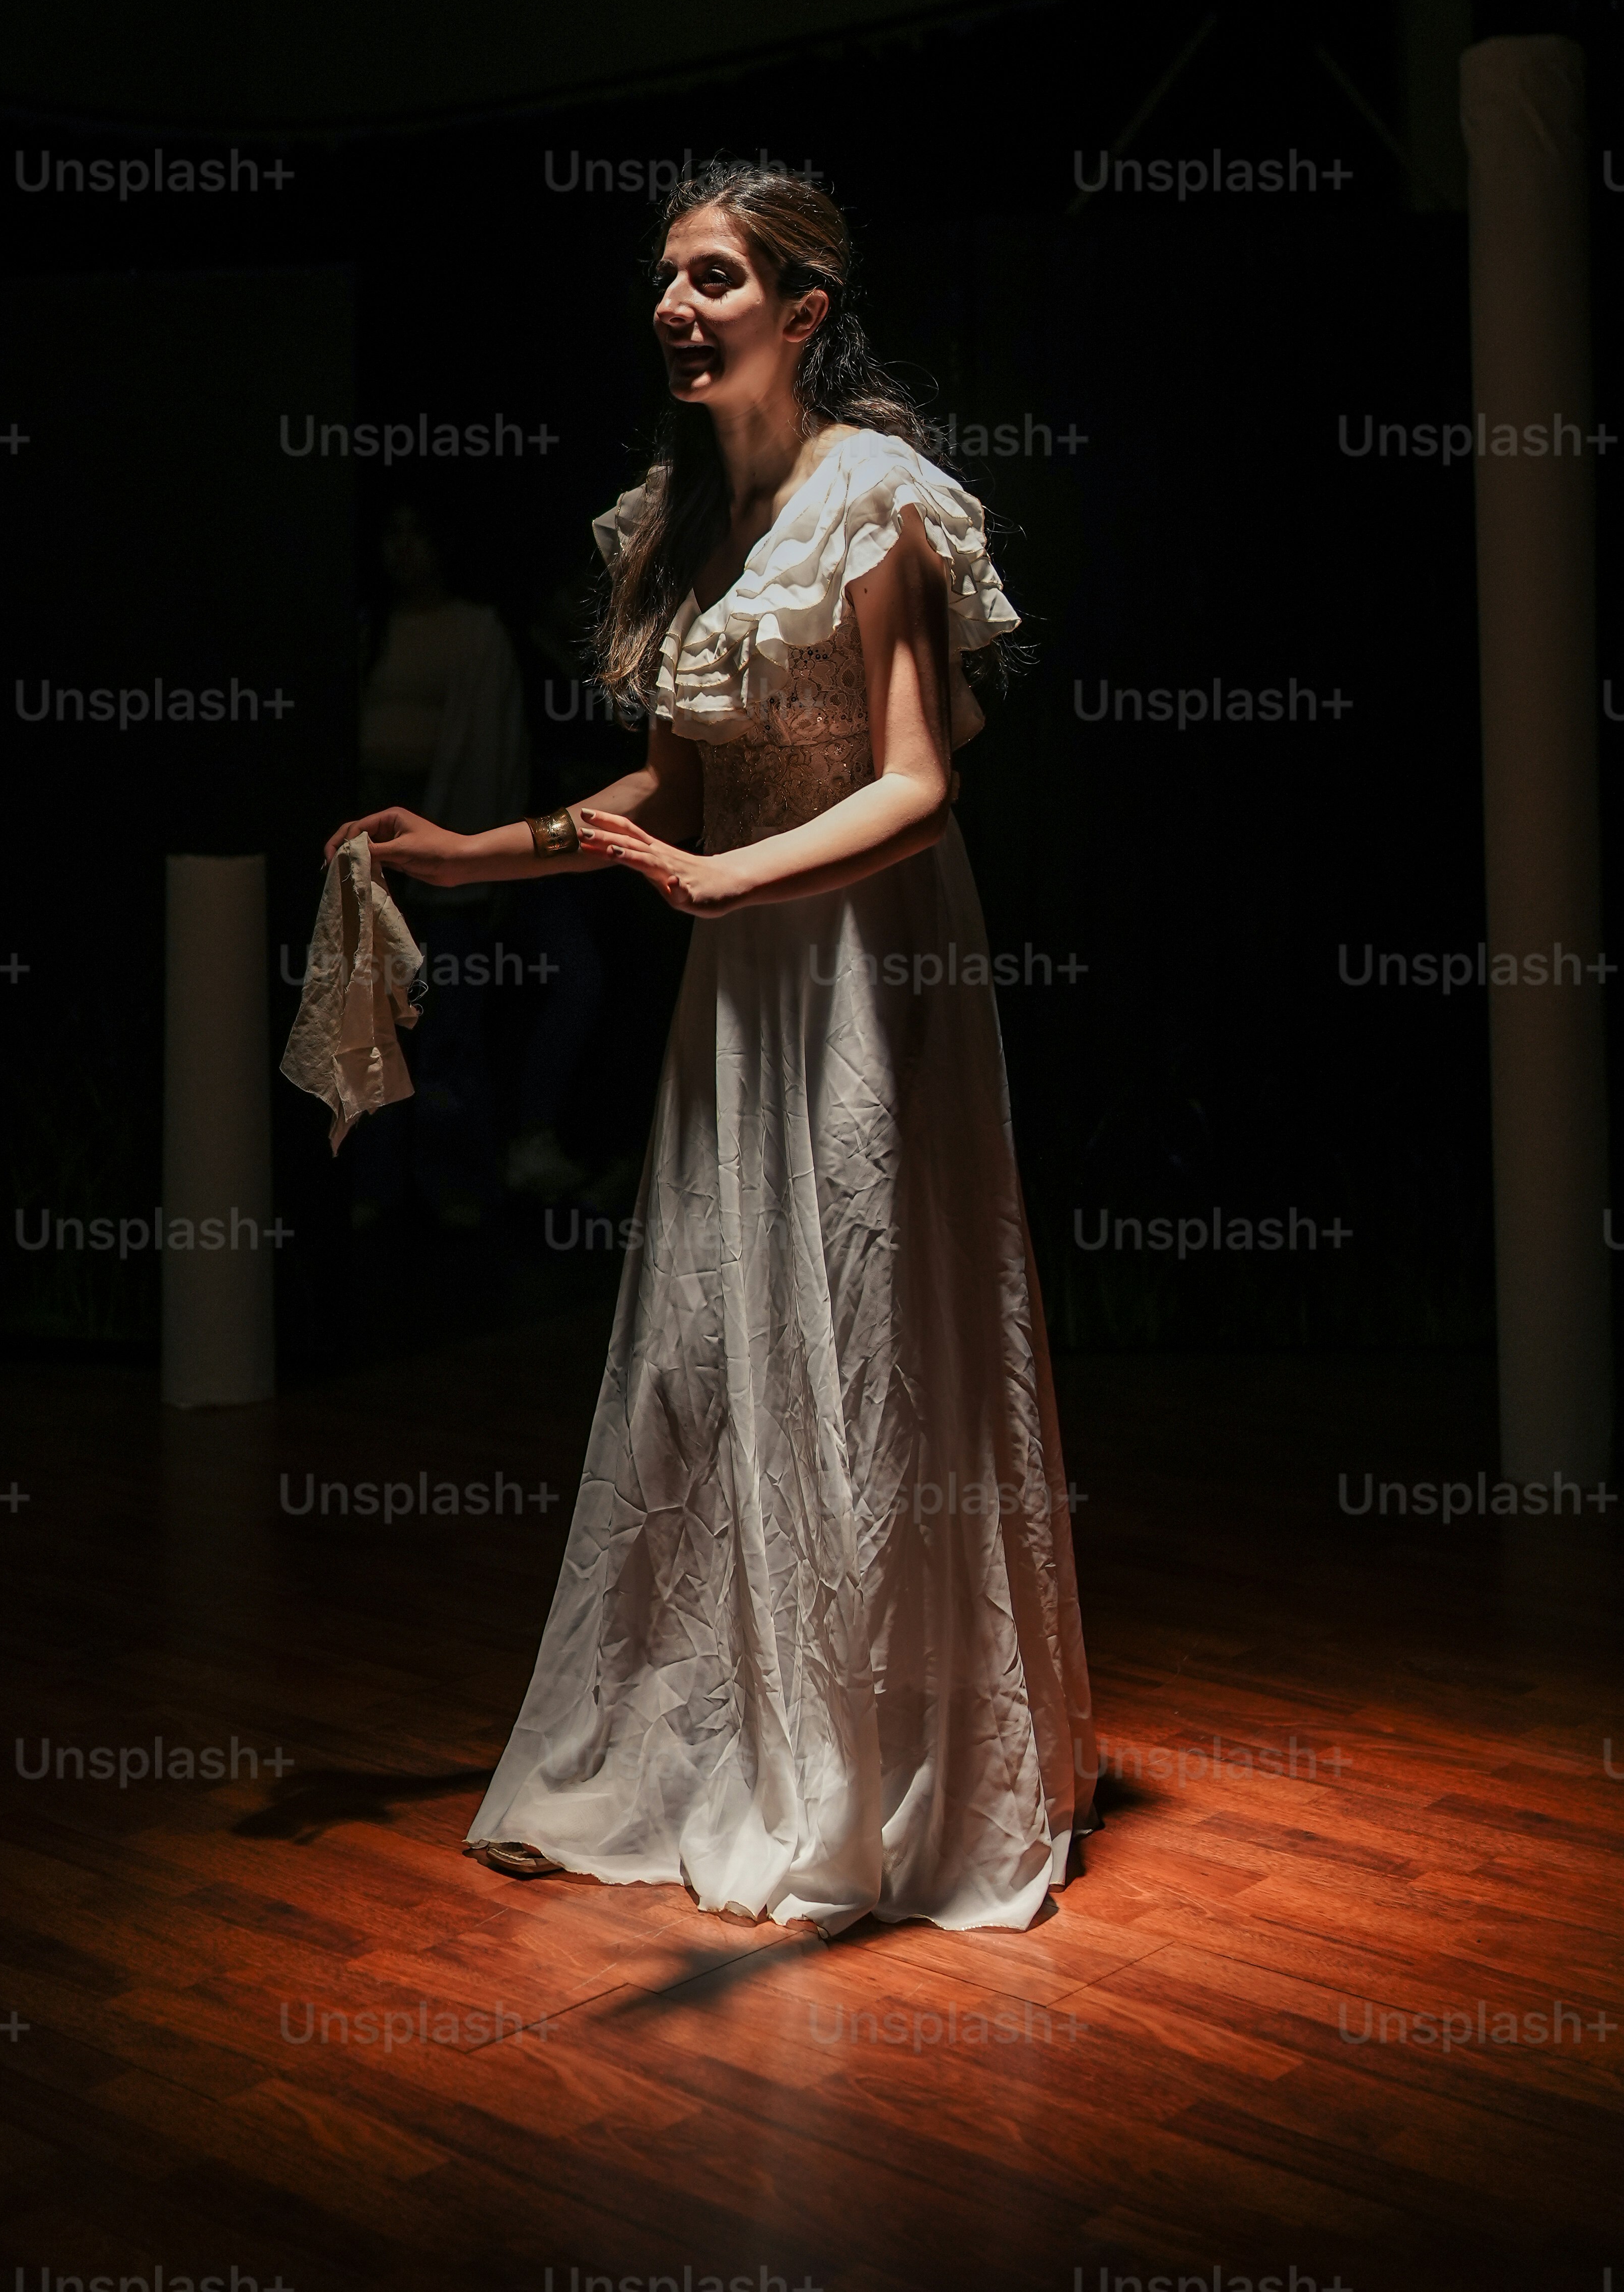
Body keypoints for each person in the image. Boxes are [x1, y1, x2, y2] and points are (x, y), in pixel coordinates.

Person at [325, 162, 1092, 1934]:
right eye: (667, 276)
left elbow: (915, 781)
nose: (678, 305)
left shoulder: (876, 495)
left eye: (718, 276)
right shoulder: (671, 520)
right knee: (723, 1339)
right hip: (736, 974)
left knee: (868, 1315)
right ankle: (745, 1725)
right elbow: (666, 793)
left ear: (803, 310)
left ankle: (882, 1762)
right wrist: (469, 857)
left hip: (860, 966)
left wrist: (727, 876)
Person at [349, 498, 530, 1228]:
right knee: (373, 1033)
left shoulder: (475, 633)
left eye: (416, 533)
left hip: (446, 848)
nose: (403, 553)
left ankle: (454, 1182)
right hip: (371, 862)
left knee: (447, 1028)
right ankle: (374, 1185)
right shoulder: (371, 630)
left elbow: (497, 752)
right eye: (391, 535)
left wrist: (477, 861)